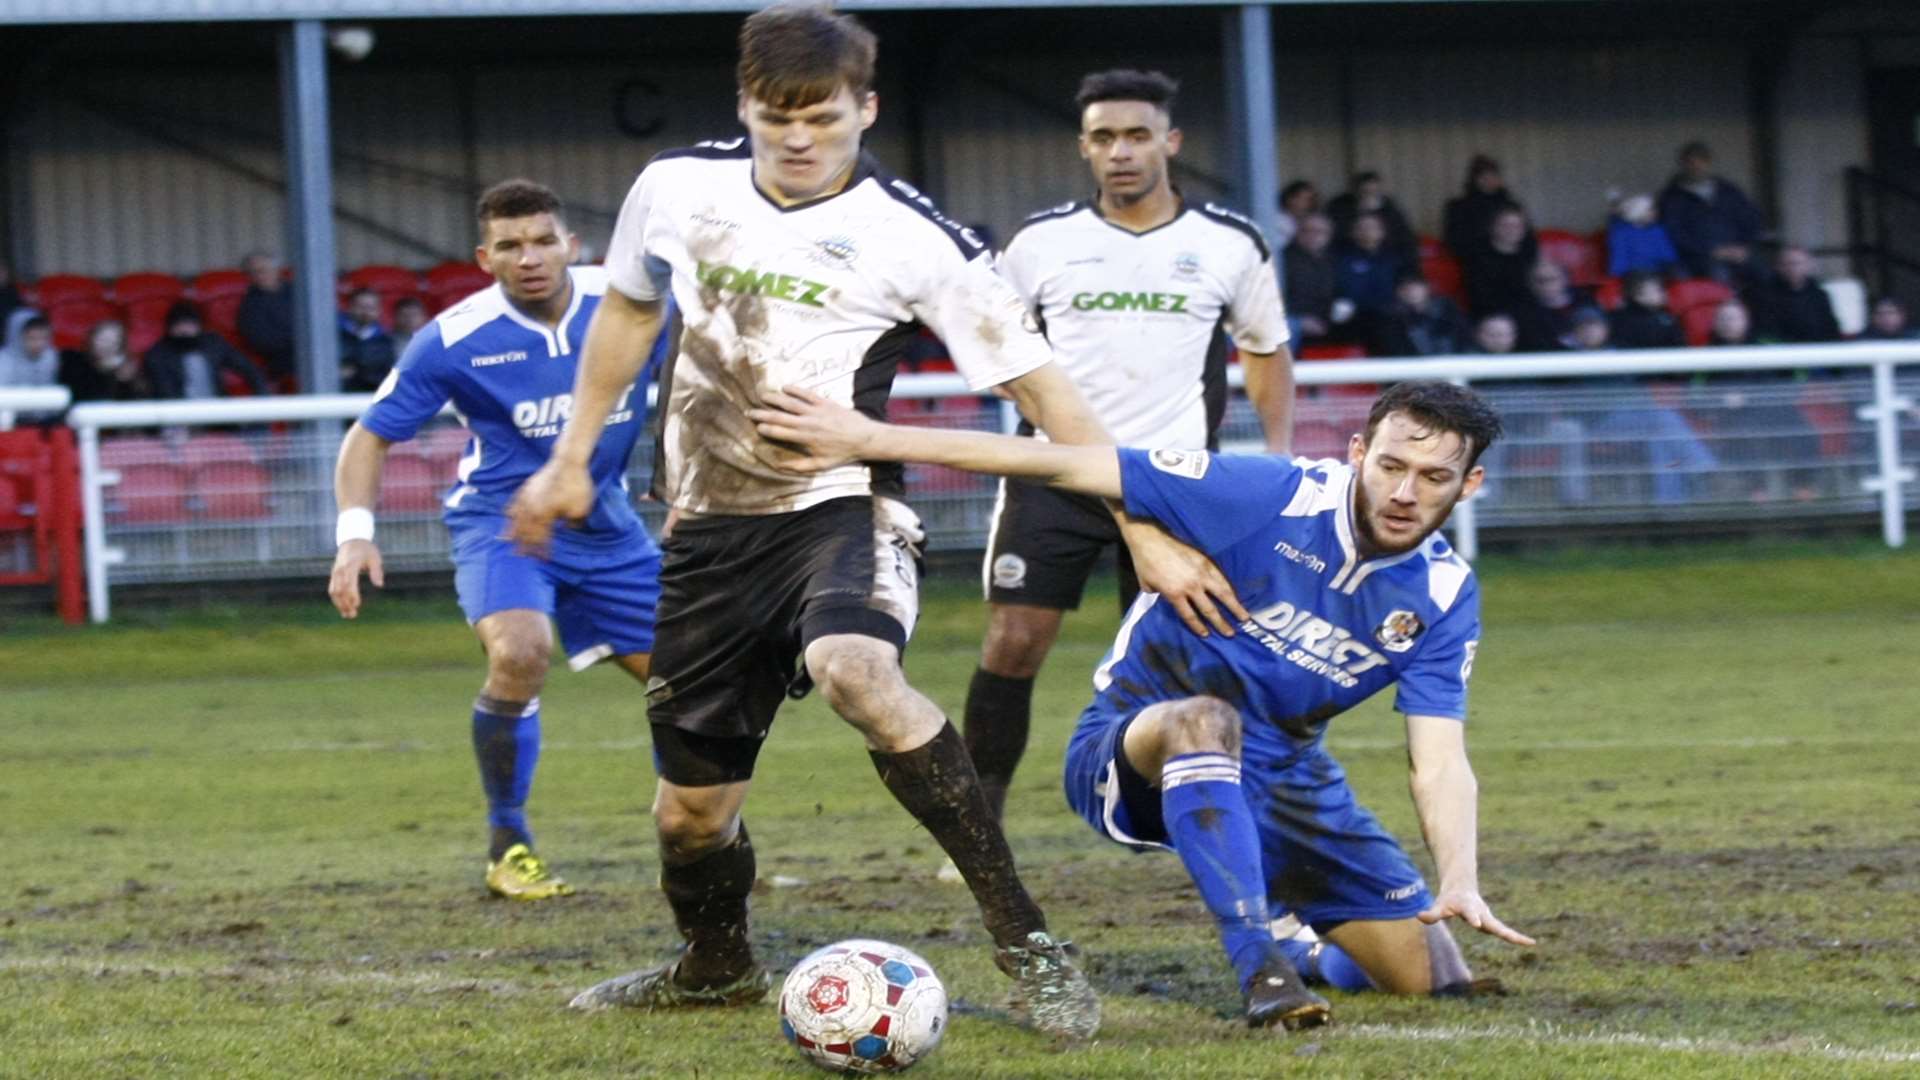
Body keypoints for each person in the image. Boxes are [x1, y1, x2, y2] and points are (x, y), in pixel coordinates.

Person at [507, 5, 1248, 1038]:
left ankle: (1031, 946)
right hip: (711, 535)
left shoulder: (919, 239)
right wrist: (571, 459)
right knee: (688, 819)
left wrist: (1142, 529)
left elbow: (1053, 397)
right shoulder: (674, 190)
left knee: (858, 671)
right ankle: (713, 964)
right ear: (743, 107)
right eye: (777, 119)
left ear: (867, 108)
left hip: (844, 511)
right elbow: (629, 311)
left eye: (823, 119)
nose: (800, 139)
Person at [749, 379, 1534, 1031]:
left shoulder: (1442, 595)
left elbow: (1439, 759)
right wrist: (868, 437)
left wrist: (1458, 877)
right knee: (1204, 719)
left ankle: (1304, 953)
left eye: (1433, 478)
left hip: (1290, 777)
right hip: (1133, 746)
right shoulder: (1267, 495)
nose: (1403, 492)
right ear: (1357, 452)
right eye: (1391, 465)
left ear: (1470, 485)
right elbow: (1053, 461)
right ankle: (1260, 968)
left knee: (1427, 980)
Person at [963, 67, 1295, 831]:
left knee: (1175, 658)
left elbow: (1266, 349)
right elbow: (998, 348)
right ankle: (977, 825)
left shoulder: (1229, 243)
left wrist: (1277, 456)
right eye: (1105, 137)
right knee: (1014, 643)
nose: (1122, 151)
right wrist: (1051, 422)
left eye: (1138, 135)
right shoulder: (1041, 242)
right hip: (1054, 474)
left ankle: (1171, 815)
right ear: (1084, 147)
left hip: (1175, 484)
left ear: (1169, 143)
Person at [329, 179, 664, 902]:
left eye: (544, 240)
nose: (531, 257)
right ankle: (509, 841)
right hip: (502, 522)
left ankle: (700, 835)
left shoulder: (634, 303)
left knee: (687, 682)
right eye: (510, 246)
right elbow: (367, 438)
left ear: (573, 246)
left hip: (605, 526)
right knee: (520, 652)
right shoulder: (452, 342)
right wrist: (354, 536)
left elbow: (701, 380)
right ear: (486, 258)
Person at [1657, 141, 1766, 284]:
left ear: (1709, 162)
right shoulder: (1671, 197)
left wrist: (1745, 247)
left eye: (1702, 161)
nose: (1697, 166)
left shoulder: (1728, 190)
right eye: (1691, 162)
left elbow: (1751, 218)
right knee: (1719, 275)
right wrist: (1711, 251)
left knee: (1764, 273)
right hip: (1698, 257)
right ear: (1683, 164)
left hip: (1738, 250)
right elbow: (1673, 234)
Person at [142, 301, 270, 400]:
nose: (184, 330)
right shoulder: (158, 355)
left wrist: (262, 396)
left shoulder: (213, 344)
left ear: (199, 327)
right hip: (180, 418)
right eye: (178, 326)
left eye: (189, 325)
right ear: (170, 329)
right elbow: (166, 393)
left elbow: (248, 368)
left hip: (219, 414)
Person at [1744, 246, 1841, 344]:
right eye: (1788, 264)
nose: (1793, 268)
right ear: (1778, 267)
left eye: (1798, 263)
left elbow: (1831, 328)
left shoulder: (1819, 295)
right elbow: (1766, 332)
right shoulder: (1765, 296)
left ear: (1809, 265)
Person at [1325, 171, 1419, 266]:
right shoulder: (1339, 206)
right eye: (1365, 191)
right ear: (1356, 191)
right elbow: (1332, 235)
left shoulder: (1390, 208)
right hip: (1348, 255)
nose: (1370, 195)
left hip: (1384, 255)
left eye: (1374, 192)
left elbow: (1405, 238)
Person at [1364, 272, 1466, 358]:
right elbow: (1395, 352)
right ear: (1397, 292)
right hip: (1413, 372)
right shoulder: (1389, 318)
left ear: (1427, 287)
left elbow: (1462, 338)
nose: (1411, 292)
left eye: (1415, 287)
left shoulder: (1447, 310)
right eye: (1405, 288)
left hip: (1452, 365)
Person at [1461, 207, 1539, 319]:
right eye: (1505, 225)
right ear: (1492, 227)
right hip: (1493, 315)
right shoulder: (1477, 257)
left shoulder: (1529, 253)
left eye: (1518, 226)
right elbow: (1481, 298)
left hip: (1529, 311)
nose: (1512, 230)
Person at [1442, 155, 1522, 259]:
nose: (1489, 180)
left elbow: (1526, 237)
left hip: (1513, 259)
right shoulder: (1458, 207)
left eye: (1494, 175)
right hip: (1476, 262)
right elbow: (1454, 242)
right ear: (1474, 179)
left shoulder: (1512, 206)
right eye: (1484, 176)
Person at [236, 252, 296, 382]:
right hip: (286, 358)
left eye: (263, 270)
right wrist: (301, 339)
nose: (259, 275)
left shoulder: (298, 291)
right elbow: (264, 342)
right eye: (252, 272)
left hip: (321, 346)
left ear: (277, 270)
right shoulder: (250, 306)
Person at [59, 319, 149, 403]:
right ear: (91, 339)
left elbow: (137, 401)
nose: (106, 345)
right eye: (102, 339)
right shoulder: (74, 361)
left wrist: (124, 382)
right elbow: (79, 396)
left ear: (120, 346)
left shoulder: (126, 369)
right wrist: (103, 371)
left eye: (112, 342)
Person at [1333, 212, 1405, 318]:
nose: (1366, 231)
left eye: (1372, 227)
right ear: (1352, 232)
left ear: (1382, 232)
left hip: (1388, 314)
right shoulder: (1342, 257)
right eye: (1361, 227)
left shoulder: (1393, 258)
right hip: (1354, 314)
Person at [1283, 213, 1339, 345]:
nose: (1312, 236)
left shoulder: (1336, 260)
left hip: (1329, 321)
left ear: (1329, 235)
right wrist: (1301, 320)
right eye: (1306, 231)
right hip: (1295, 320)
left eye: (1319, 232)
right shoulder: (1283, 260)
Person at [338, 287, 398, 392]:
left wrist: (357, 371)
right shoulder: (335, 336)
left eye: (371, 308)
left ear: (379, 310)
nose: (365, 312)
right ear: (349, 307)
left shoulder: (386, 341)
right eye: (361, 307)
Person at [1607, 271, 1686, 350]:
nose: (1663, 293)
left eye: (1662, 289)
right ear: (1638, 296)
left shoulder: (1666, 316)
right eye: (1657, 290)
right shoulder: (1622, 320)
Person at [1606, 193, 1679, 278]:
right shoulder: (1621, 234)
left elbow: (1669, 255)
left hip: (1661, 271)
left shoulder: (1658, 230)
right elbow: (1619, 265)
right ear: (1638, 213)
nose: (1655, 213)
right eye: (1649, 210)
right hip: (1635, 274)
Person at [1273, 178, 1319, 251]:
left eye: (1310, 199)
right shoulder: (1278, 219)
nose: (1307, 204)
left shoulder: (1311, 221)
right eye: (1303, 199)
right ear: (1290, 199)